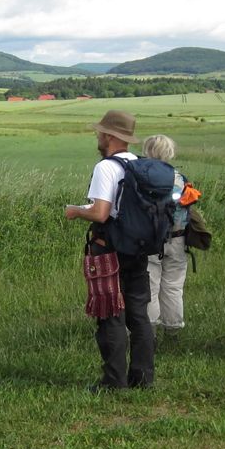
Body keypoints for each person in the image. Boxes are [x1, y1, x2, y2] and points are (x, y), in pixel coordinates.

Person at [65, 110, 154, 390]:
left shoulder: (106, 167)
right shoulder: (141, 164)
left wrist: (76, 211)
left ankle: (114, 382)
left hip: (108, 252)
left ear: (110, 136)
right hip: (137, 250)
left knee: (110, 315)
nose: (98, 136)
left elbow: (101, 213)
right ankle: (142, 378)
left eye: (101, 132)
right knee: (138, 315)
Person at [143, 135, 189, 338]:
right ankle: (173, 331)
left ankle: (149, 331)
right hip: (177, 238)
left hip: (150, 239)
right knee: (173, 286)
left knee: (150, 286)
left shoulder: (141, 178)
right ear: (170, 152)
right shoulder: (179, 178)